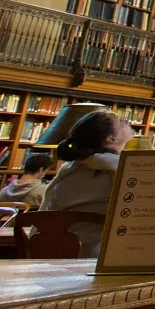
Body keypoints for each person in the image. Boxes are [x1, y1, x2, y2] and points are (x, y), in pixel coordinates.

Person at [46, 109, 135, 257]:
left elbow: (49, 215)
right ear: (110, 139)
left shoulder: (69, 172)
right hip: (107, 257)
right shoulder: (127, 172)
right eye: (120, 121)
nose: (126, 121)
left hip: (63, 254)